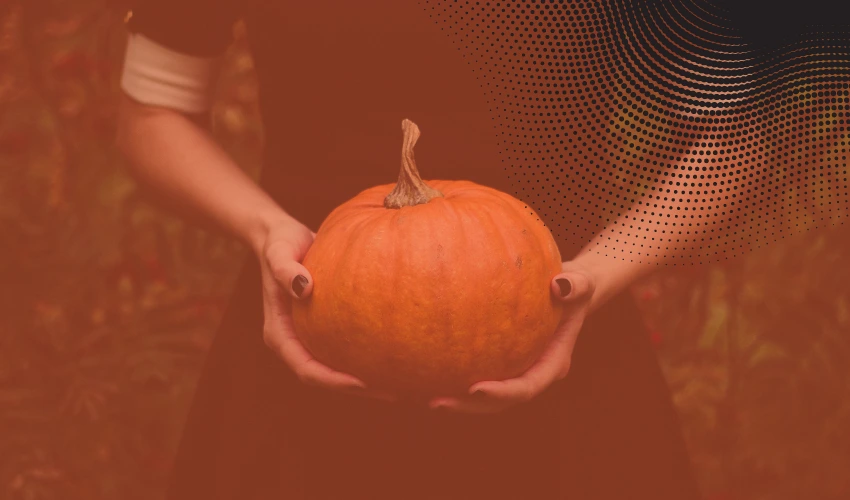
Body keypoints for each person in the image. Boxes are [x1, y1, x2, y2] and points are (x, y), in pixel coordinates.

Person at [115, 1, 703, 498]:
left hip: (563, 333)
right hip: (308, 321)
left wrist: (601, 269)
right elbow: (153, 113)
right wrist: (266, 228)